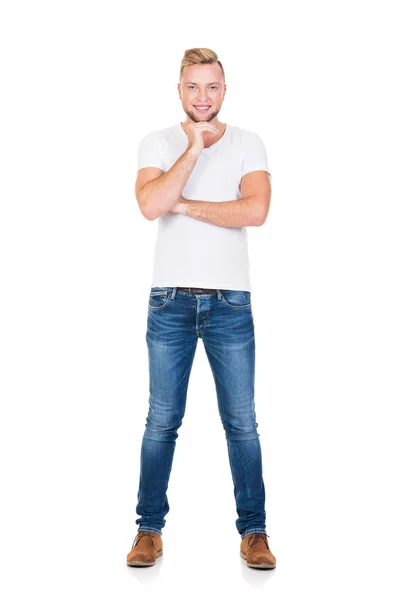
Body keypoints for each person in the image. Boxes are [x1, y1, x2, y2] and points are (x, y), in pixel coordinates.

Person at [126, 47, 276, 570]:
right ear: (180, 90)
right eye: (193, 87)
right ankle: (149, 530)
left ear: (224, 90)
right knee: (161, 421)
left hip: (230, 302)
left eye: (212, 87)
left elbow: (254, 210)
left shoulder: (248, 143)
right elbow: (148, 205)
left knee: (242, 423)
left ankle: (253, 532)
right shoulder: (160, 141)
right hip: (169, 300)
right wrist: (191, 149)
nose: (203, 97)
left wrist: (184, 205)